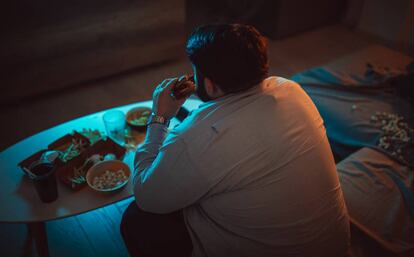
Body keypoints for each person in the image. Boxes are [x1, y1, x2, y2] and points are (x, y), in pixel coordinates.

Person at [120, 23, 351, 257]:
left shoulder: (202, 137)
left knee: (136, 219)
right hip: (335, 247)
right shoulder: (292, 89)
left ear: (209, 84)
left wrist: (158, 118)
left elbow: (147, 195)